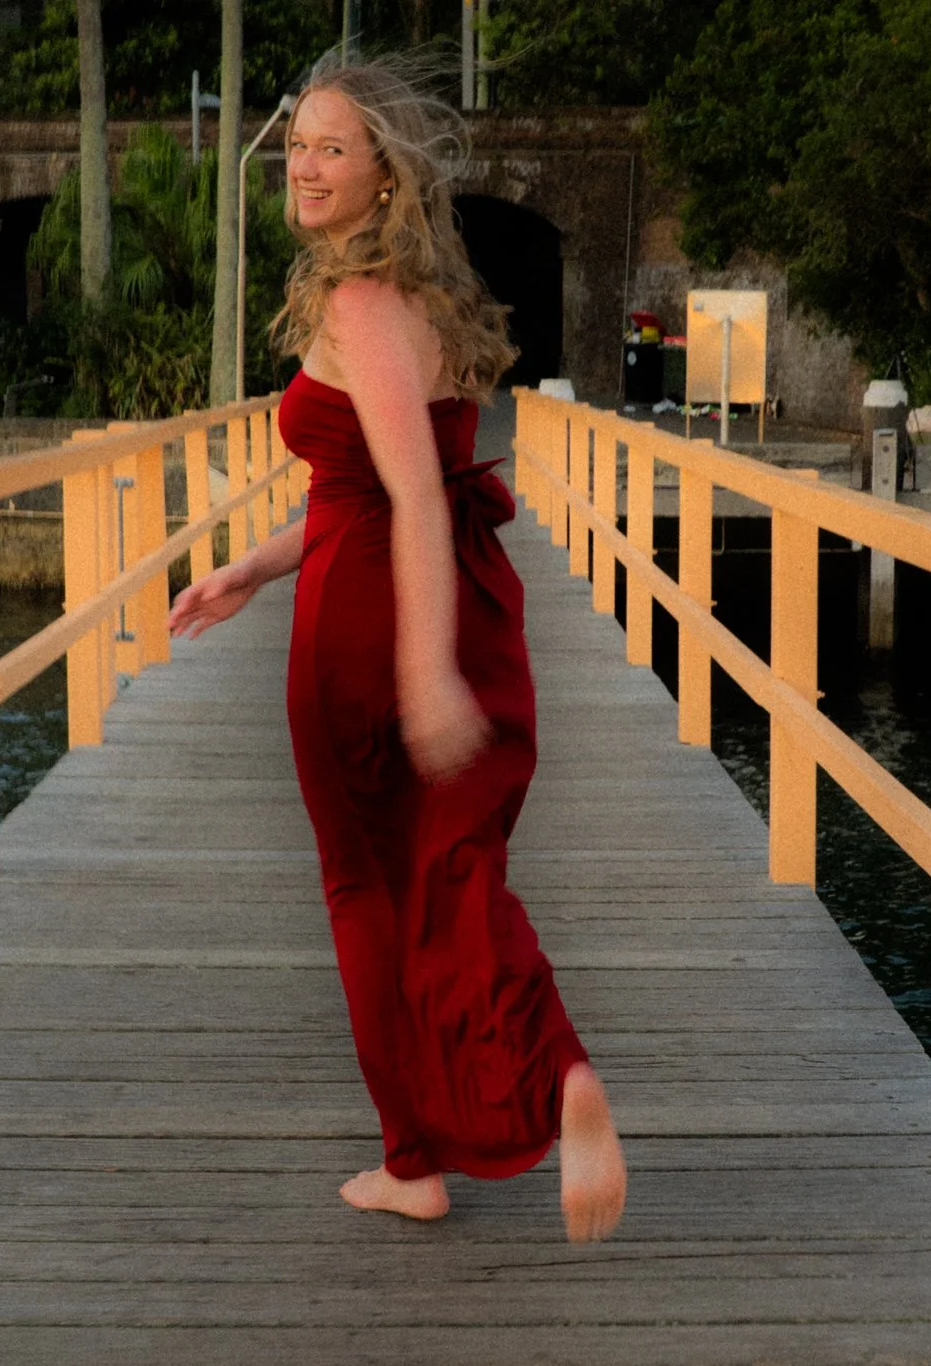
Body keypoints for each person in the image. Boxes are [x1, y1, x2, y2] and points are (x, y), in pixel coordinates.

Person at [167, 55, 626, 1244]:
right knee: (447, 869)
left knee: (365, 886)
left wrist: (420, 670)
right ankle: (556, 1075)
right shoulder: (417, 304)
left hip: (373, 619)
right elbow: (361, 486)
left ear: (383, 178)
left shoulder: (355, 305)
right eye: (296, 147)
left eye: (330, 148)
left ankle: (412, 1157)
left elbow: (409, 501)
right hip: (419, 592)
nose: (303, 168)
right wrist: (247, 568)